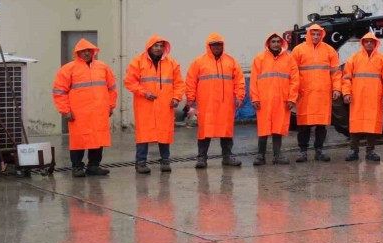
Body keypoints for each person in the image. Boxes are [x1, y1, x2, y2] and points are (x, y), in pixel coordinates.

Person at [52, 39, 117, 177]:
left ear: (93, 52)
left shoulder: (103, 67)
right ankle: (77, 167)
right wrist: (65, 110)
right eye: (83, 51)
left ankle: (93, 166)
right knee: (78, 141)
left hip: (99, 111)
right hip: (78, 113)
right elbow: (59, 91)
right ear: (77, 53)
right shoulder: (68, 69)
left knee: (98, 139)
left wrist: (111, 105)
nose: (86, 53)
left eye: (89, 50)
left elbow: (112, 88)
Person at [124, 35, 184, 174]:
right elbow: (130, 82)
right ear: (150, 47)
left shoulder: (172, 63)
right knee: (144, 134)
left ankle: (165, 161)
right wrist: (144, 93)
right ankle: (140, 163)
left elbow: (179, 83)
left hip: (165, 105)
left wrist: (176, 98)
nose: (158, 48)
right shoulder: (137, 62)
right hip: (145, 105)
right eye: (156, 46)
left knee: (164, 133)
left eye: (161, 46)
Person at [185, 33, 246, 168]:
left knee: (226, 130)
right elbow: (190, 81)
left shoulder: (231, 61)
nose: (217, 47)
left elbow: (239, 81)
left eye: (219, 44)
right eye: (214, 44)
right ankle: (202, 158)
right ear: (209, 46)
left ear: (223, 45)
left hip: (226, 104)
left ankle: (227, 156)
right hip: (206, 104)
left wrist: (239, 96)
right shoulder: (199, 62)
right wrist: (190, 99)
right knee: (204, 131)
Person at [291, 24, 341, 162]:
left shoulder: (329, 50)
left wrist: (337, 89)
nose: (315, 37)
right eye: (313, 34)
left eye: (318, 34)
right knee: (304, 125)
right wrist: (293, 92)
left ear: (322, 35)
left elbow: (336, 73)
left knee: (321, 124)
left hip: (322, 94)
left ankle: (319, 151)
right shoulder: (298, 50)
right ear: (309, 34)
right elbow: (293, 73)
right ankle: (303, 151)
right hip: (304, 94)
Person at [342, 32, 383, 161]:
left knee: (373, 125)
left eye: (371, 41)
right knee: (355, 125)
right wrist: (346, 93)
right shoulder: (354, 58)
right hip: (357, 98)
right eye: (366, 41)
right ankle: (353, 150)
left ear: (376, 43)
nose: (369, 43)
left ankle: (370, 151)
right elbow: (346, 78)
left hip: (374, 98)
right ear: (363, 43)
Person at [250, 33, 299, 166]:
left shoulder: (289, 59)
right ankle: (261, 156)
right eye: (273, 42)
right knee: (263, 128)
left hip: (281, 100)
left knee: (278, 127)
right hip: (264, 100)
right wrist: (255, 98)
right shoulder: (259, 58)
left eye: (278, 41)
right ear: (268, 43)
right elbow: (254, 80)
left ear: (281, 43)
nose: (276, 44)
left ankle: (277, 155)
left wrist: (292, 99)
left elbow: (295, 80)